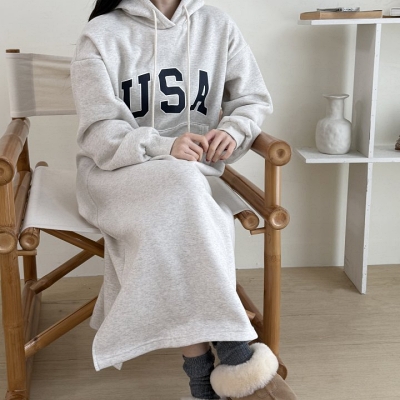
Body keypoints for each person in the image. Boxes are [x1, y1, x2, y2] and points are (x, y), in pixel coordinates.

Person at [71, 0, 297, 399]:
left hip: (193, 178)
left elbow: (251, 99)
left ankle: (201, 380)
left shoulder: (216, 25)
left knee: (180, 201)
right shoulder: (102, 34)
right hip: (116, 173)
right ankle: (235, 353)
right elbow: (98, 132)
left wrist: (234, 130)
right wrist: (164, 146)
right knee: (182, 193)